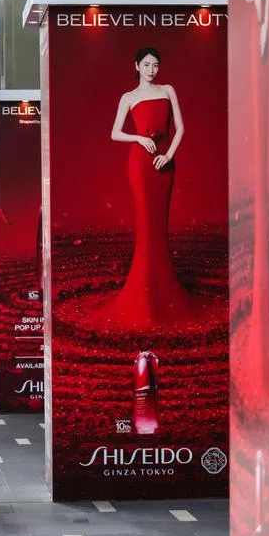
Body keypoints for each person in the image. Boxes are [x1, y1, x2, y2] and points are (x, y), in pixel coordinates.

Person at [101, 45, 195, 329]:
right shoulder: (128, 97)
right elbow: (114, 133)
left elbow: (181, 128)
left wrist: (169, 155)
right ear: (136, 66)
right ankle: (141, 296)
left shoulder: (168, 90)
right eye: (147, 65)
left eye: (156, 65)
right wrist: (138, 139)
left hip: (164, 163)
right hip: (140, 165)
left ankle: (164, 291)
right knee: (145, 225)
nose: (152, 70)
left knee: (159, 226)